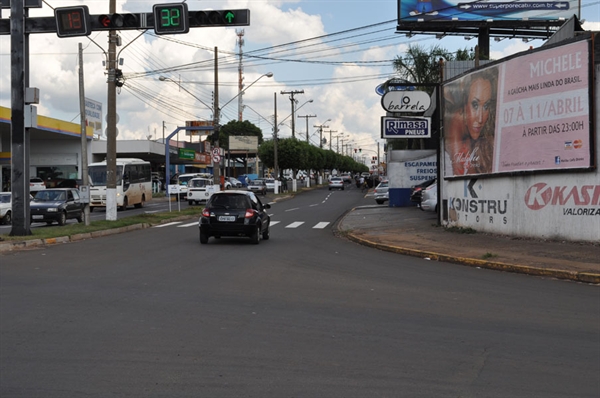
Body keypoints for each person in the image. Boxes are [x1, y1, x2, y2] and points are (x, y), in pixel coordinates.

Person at [444, 67, 498, 176]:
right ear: (465, 102)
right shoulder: (456, 120)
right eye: (475, 105)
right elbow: (458, 172)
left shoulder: (490, 124)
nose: (480, 118)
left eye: (486, 106)